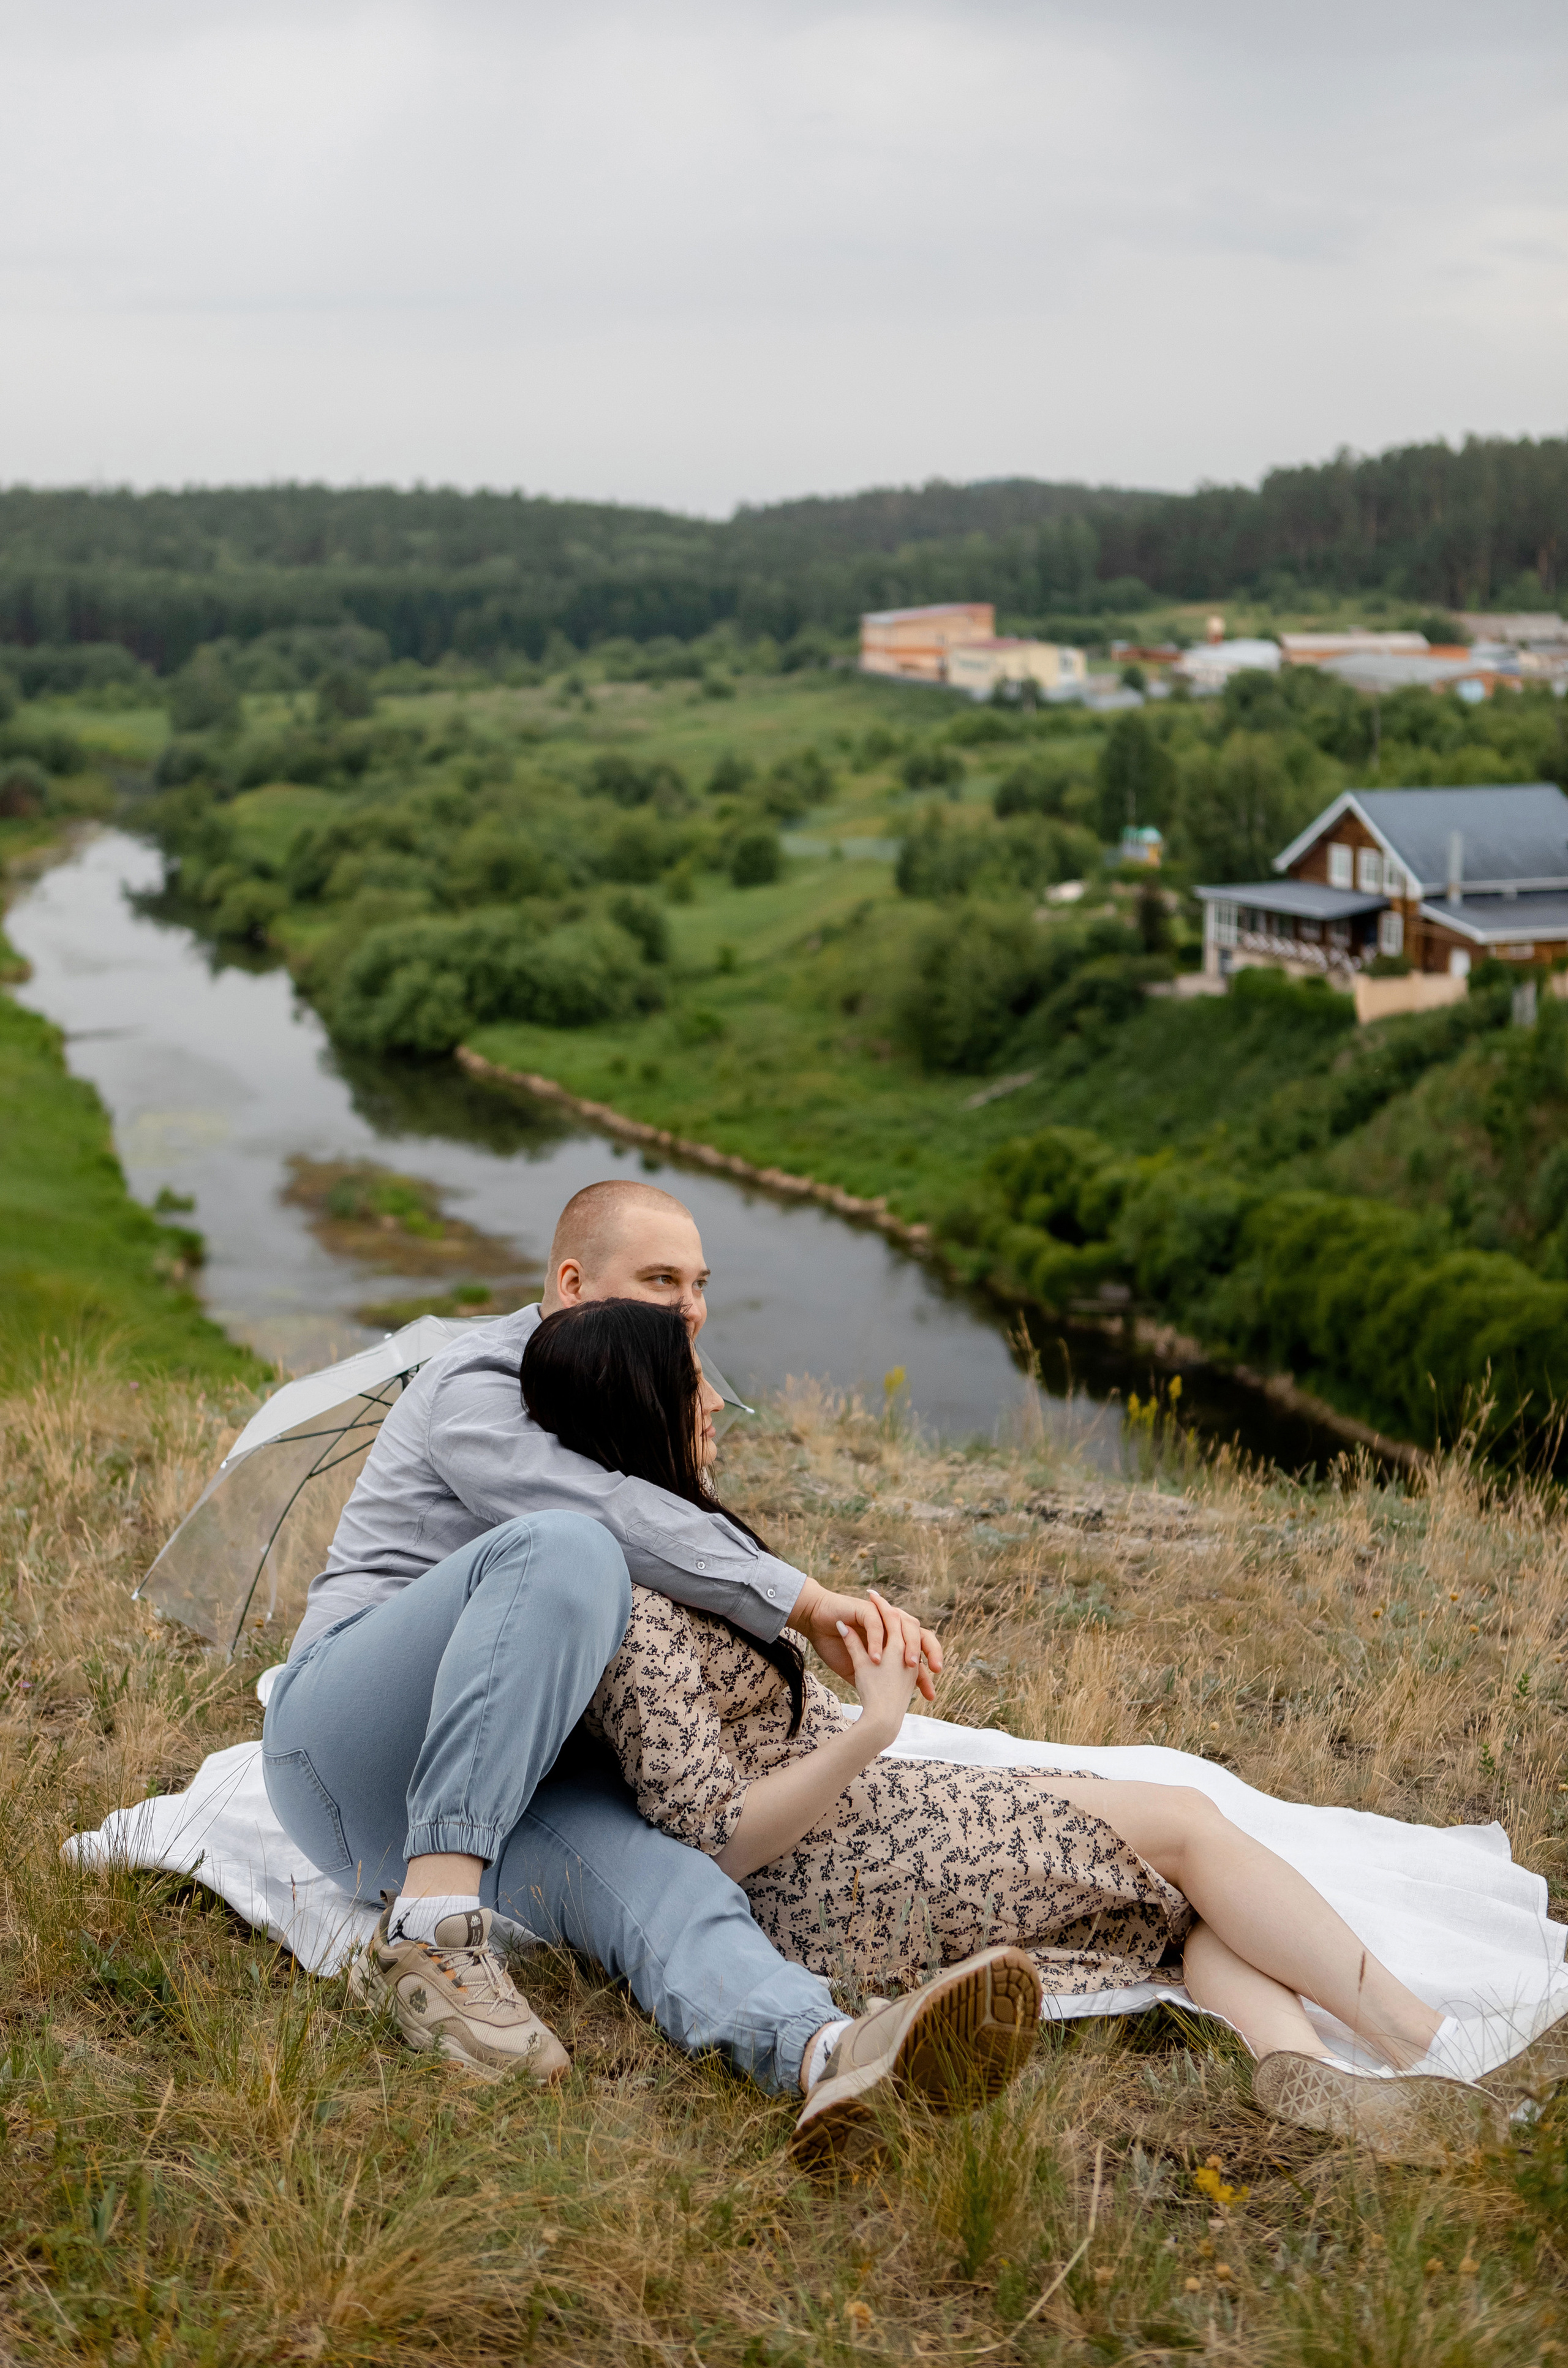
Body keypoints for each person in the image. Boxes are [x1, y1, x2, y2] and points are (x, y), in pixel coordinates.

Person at [518, 1294, 1560, 2163]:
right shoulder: (637, 1611)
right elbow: (712, 1840)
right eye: (691, 1379)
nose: (714, 1398)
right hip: (821, 1876)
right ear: (638, 1406)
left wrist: (844, 1677)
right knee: (1185, 1828)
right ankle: (1434, 2042)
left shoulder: (682, 1548)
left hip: (853, 1824)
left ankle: (1317, 2078)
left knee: (1173, 1909)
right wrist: (872, 1729)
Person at [262, 1178, 1042, 2162]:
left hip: (521, 1773)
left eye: (700, 1282)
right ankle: (432, 1928)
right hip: (351, 1748)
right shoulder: (473, 1383)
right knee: (570, 1547)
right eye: (662, 1278)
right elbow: (612, 1524)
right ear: (575, 1282)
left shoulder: (624, 1379)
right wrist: (804, 1599)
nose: (690, 1307)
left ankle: (832, 2055)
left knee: (671, 1881)